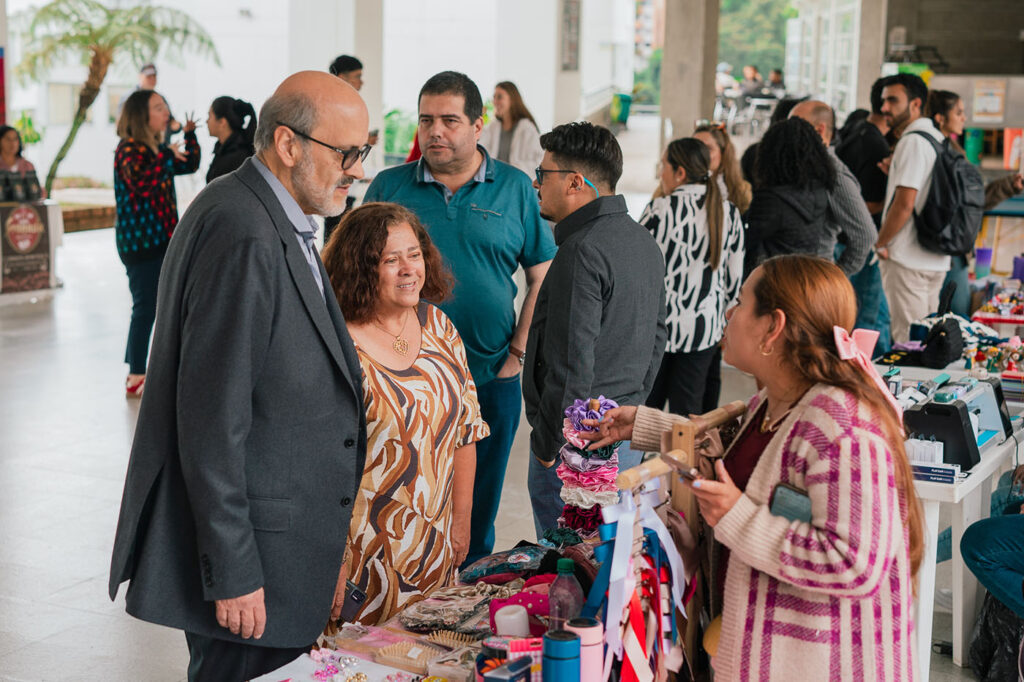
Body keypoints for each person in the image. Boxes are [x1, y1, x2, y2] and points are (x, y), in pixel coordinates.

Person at [108, 71, 371, 682]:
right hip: (254, 564)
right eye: (347, 153)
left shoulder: (264, 211)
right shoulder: (244, 229)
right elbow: (211, 419)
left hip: (279, 550)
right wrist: (233, 571)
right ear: (288, 144)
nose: (357, 169)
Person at [583, 254, 922, 681]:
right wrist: (646, 425)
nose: (729, 313)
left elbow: (853, 563)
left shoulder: (845, 429)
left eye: (741, 302)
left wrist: (735, 517)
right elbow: (740, 457)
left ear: (772, 327)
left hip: (818, 662)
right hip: (760, 642)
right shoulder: (775, 402)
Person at [364, 71, 556, 566]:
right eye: (427, 120)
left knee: (476, 514)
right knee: (398, 502)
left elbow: (543, 276)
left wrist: (518, 353)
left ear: (478, 124)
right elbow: (357, 279)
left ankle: (461, 610)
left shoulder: (515, 189)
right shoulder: (389, 186)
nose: (435, 132)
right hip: (400, 382)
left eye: (449, 120)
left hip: (491, 375)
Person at [321, 202, 488, 624]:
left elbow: (464, 432)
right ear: (361, 268)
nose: (408, 269)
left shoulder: (440, 327)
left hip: (434, 548)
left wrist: (461, 525)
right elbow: (316, 464)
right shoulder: (339, 345)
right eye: (390, 260)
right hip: (359, 559)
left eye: (414, 255)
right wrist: (326, 558)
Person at [523, 121, 666, 536]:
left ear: (574, 182)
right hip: (621, 436)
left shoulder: (582, 249)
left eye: (542, 174)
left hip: (577, 451)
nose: (536, 185)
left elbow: (571, 363)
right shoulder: (642, 240)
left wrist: (549, 446)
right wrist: (631, 410)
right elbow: (658, 337)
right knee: (606, 562)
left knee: (566, 572)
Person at [640, 137, 743, 416]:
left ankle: (642, 462)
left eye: (664, 166)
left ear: (680, 172)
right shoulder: (729, 213)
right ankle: (684, 462)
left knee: (645, 414)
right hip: (703, 331)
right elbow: (734, 283)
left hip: (657, 330)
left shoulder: (659, 210)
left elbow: (638, 271)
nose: (661, 173)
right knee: (686, 418)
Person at [113, 89, 200, 397]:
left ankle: (146, 367)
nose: (166, 114)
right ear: (141, 115)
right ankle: (136, 373)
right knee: (145, 307)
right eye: (159, 108)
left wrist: (189, 138)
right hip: (139, 246)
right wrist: (166, 153)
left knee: (159, 306)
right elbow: (142, 182)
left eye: (166, 107)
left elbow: (188, 165)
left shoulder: (156, 149)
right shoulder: (129, 149)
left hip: (162, 241)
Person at [927, 89, 1024, 316]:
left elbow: (973, 201)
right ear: (940, 117)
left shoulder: (951, 150)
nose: (964, 118)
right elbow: (972, 202)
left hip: (953, 248)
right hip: (948, 247)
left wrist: (1010, 184)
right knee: (955, 313)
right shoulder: (941, 152)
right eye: (959, 112)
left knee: (953, 312)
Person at [875, 73, 946, 344]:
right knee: (928, 342)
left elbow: (905, 203)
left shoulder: (913, 141)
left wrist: (880, 242)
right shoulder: (937, 138)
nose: (884, 108)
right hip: (934, 254)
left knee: (910, 344)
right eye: (883, 101)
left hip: (907, 258)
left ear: (916, 104)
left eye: (893, 100)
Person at [836, 76, 895, 355]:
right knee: (865, 325)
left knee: (867, 318)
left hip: (846, 241)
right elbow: (865, 204)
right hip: (865, 246)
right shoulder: (875, 145)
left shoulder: (853, 133)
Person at [789, 100, 875, 277]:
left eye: (796, 127)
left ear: (819, 130)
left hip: (813, 280)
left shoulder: (834, 174)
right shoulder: (803, 166)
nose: (787, 134)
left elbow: (865, 235)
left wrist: (835, 277)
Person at [744, 118, 833, 276]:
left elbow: (744, 240)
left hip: (770, 281)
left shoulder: (770, 200)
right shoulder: (820, 192)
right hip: (802, 280)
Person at [324, 54, 378, 243]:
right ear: (342, 77)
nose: (360, 82)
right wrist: (363, 141)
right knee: (336, 227)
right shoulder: (332, 105)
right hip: (336, 173)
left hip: (343, 175)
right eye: (357, 76)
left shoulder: (344, 103)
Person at [479, 81, 543, 176]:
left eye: (499, 97)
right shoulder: (493, 127)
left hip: (515, 180)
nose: (495, 101)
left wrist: (513, 169)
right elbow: (480, 148)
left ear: (512, 100)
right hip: (496, 180)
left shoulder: (526, 128)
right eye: (494, 97)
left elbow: (538, 161)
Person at [693, 123, 751, 213]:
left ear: (723, 153)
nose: (700, 153)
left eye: (708, 148)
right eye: (695, 148)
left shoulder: (741, 191)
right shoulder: (678, 188)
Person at [205, 96, 257, 183]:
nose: (207, 121)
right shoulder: (223, 151)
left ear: (222, 122)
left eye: (210, 116)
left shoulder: (238, 157)